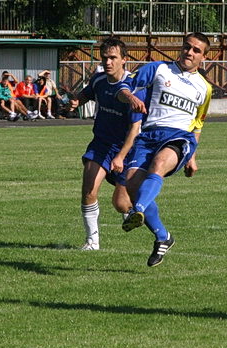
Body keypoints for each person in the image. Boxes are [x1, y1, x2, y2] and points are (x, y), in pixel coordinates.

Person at [117, 32, 213, 267]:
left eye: (196, 50)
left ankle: (136, 211)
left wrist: (193, 157)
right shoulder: (158, 69)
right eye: (187, 47)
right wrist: (129, 96)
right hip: (149, 135)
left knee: (159, 164)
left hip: (180, 137)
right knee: (131, 184)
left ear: (204, 57)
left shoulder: (205, 88)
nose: (189, 52)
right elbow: (123, 87)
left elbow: (198, 124)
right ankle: (163, 236)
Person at [68, 37, 144, 251]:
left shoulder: (133, 89)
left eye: (113, 58)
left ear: (124, 60)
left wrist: (120, 156)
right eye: (104, 58)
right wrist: (75, 101)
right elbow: (85, 95)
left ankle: (131, 210)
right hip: (101, 144)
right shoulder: (99, 80)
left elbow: (134, 129)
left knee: (120, 204)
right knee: (89, 189)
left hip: (127, 148)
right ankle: (92, 241)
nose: (108, 62)